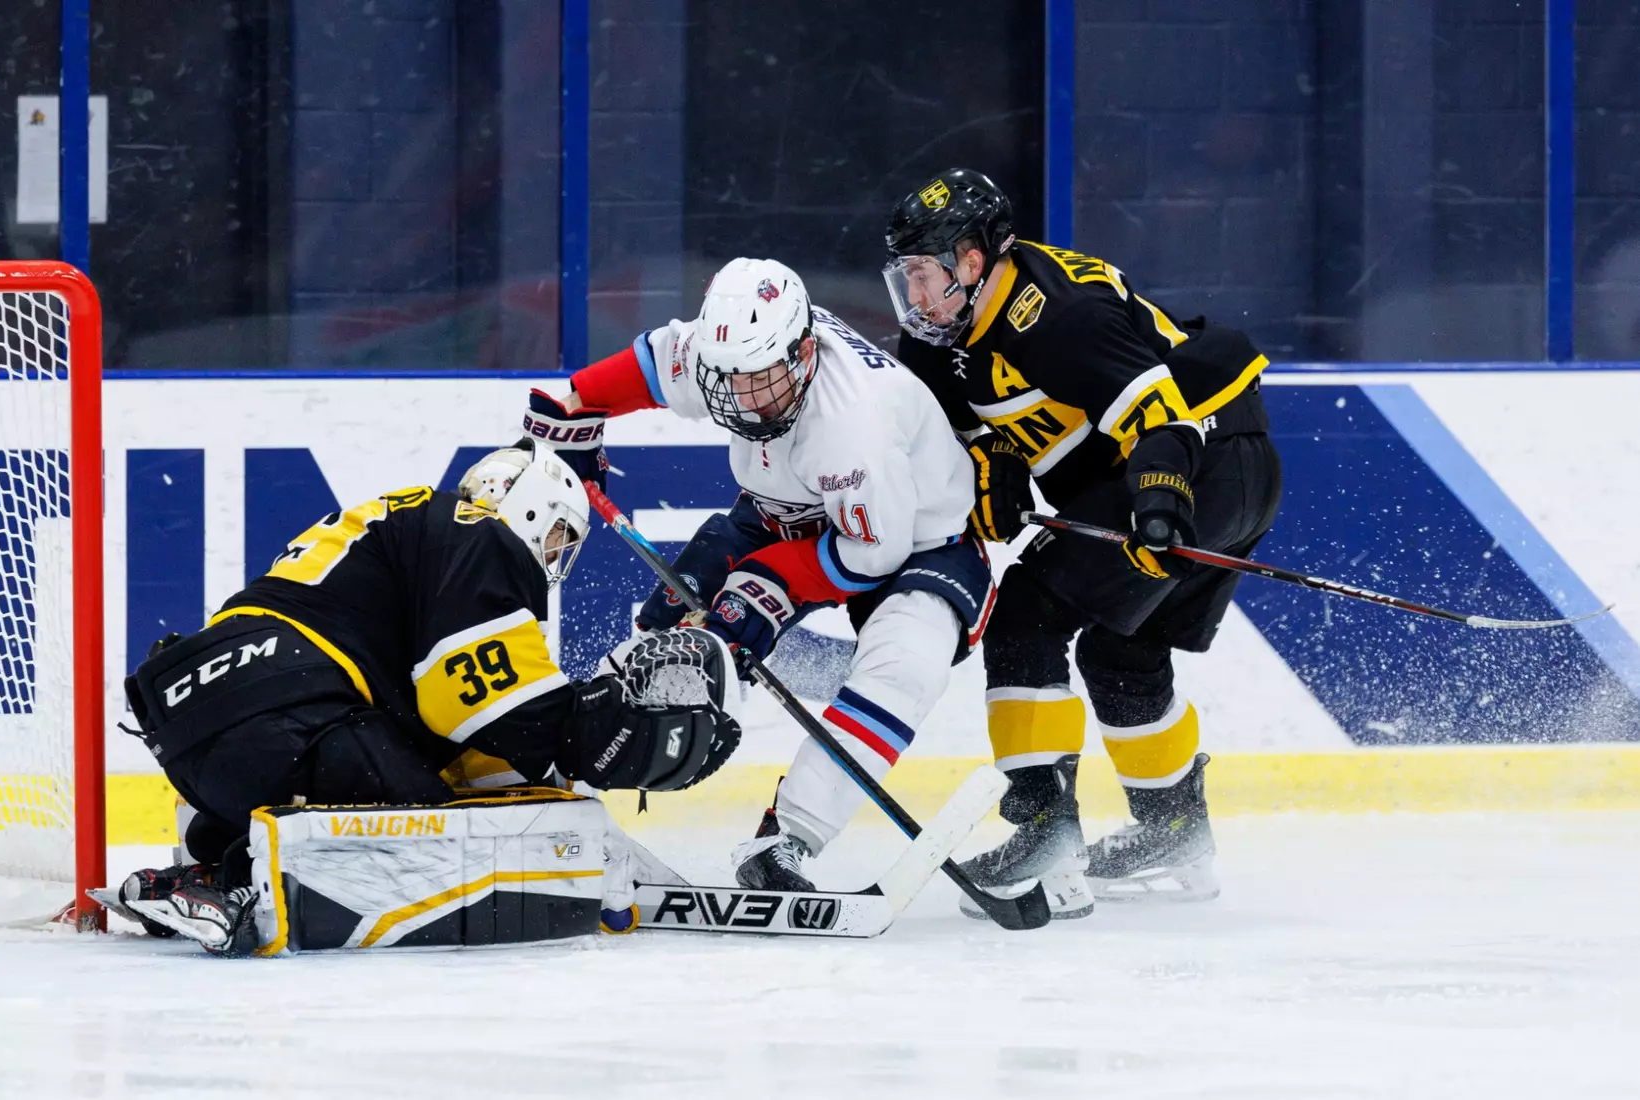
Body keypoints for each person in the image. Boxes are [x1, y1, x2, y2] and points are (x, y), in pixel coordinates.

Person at [115, 439, 742, 950]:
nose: (552, 561)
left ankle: (204, 860)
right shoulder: (475, 534)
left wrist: (550, 772)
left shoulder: (406, 533)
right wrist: (597, 740)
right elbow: (482, 702)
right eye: (556, 540)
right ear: (529, 511)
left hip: (201, 727)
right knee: (440, 835)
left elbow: (453, 724)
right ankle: (239, 884)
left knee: (405, 777)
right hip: (284, 717)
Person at [882, 168, 1283, 915]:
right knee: (1118, 651)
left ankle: (1044, 833)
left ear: (974, 262)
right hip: (1227, 466)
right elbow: (963, 428)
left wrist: (1161, 503)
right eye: (904, 275)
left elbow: (1163, 420)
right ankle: (1174, 831)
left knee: (1026, 616)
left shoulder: (1056, 313)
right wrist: (993, 463)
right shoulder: (943, 335)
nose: (913, 295)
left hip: (1203, 464)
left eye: (924, 274)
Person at [531, 256, 994, 892]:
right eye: (730, 382)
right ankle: (551, 778)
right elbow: (654, 362)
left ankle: (788, 841)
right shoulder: (740, 355)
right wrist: (576, 404)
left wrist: (768, 586)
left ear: (804, 353)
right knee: (672, 629)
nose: (743, 401)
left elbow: (871, 554)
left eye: (759, 381)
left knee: (903, 670)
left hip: (914, 540)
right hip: (784, 511)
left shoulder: (854, 425)